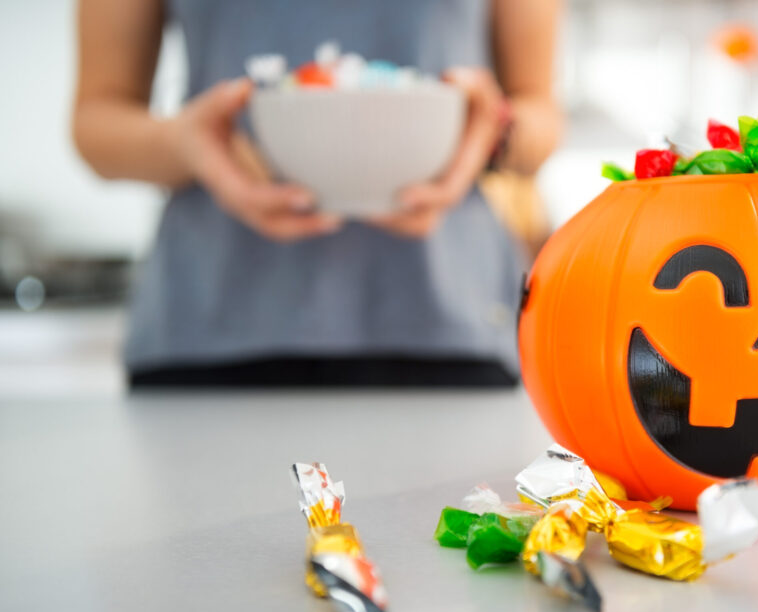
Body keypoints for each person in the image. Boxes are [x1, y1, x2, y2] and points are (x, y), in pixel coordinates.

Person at [73, 0, 562, 387]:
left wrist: (496, 130)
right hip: (207, 326)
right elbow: (96, 118)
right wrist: (185, 142)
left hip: (449, 327)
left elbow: (541, 109)